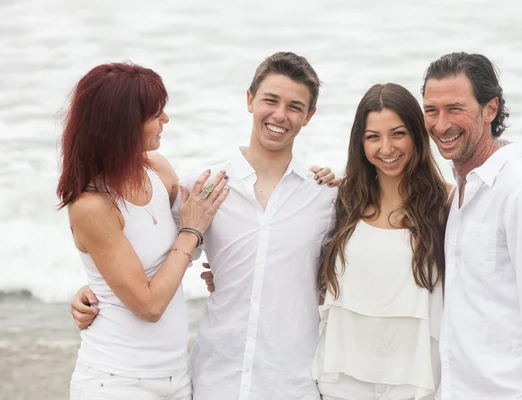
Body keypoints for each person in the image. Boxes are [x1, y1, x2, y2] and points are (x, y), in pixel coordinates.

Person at [71, 52, 339, 399]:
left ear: (309, 116)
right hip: (215, 378)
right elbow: (141, 251)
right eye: (270, 100)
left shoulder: (325, 196)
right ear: (249, 100)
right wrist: (91, 290)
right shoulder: (204, 187)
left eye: (294, 106)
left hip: (291, 381)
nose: (279, 115)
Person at [57, 62, 229, 400]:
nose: (166, 120)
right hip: (116, 381)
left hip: (177, 376)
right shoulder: (92, 204)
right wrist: (191, 229)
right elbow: (149, 305)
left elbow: (199, 239)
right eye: (156, 114)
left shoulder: (158, 170)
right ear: (124, 125)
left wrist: (319, 182)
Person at [421, 52, 522, 399]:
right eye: (431, 110)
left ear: (490, 109)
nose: (441, 123)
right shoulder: (456, 196)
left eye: (455, 108)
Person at [313, 83, 449, 400]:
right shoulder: (341, 199)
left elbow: (485, 270)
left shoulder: (446, 203)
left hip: (415, 379)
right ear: (360, 142)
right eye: (373, 137)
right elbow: (290, 254)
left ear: (417, 134)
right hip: (342, 377)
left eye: (398, 133)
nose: (386, 148)